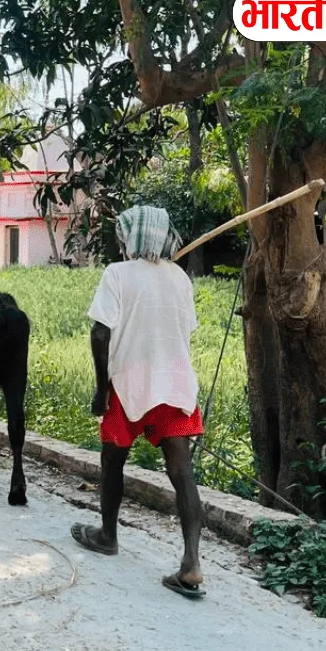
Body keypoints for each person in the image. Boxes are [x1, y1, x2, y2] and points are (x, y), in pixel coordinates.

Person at [71, 206, 206, 599]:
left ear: (132, 237)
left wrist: (101, 389)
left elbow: (100, 333)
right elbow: (186, 328)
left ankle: (108, 535)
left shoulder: (117, 274)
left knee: (113, 459)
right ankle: (192, 564)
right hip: (174, 383)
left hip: (129, 382)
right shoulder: (180, 278)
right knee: (182, 471)